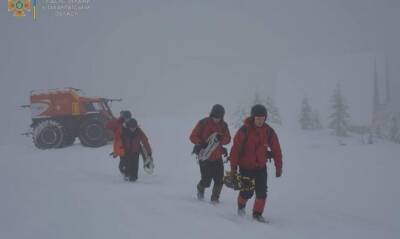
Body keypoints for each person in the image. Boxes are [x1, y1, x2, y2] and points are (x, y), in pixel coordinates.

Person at [229, 104, 283, 222]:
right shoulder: (245, 130)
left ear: (265, 118)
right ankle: (241, 208)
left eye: (262, 119)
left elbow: (276, 150)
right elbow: (235, 150)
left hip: (261, 168)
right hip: (245, 167)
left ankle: (257, 214)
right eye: (258, 118)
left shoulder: (269, 131)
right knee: (247, 192)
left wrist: (279, 167)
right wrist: (233, 169)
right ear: (253, 118)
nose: (260, 121)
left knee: (262, 192)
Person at [190, 104, 231, 203]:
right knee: (206, 181)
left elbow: (228, 139)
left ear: (222, 117)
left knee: (219, 180)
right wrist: (200, 143)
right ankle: (200, 190)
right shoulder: (203, 123)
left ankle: (215, 199)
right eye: (214, 116)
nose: (216, 119)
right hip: (204, 157)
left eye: (218, 117)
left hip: (217, 157)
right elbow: (192, 136)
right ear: (211, 114)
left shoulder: (224, 125)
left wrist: (222, 139)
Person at [106, 110, 132, 175]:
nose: (127, 119)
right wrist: (118, 119)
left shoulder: (131, 123)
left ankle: (128, 173)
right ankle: (124, 173)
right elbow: (108, 126)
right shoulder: (118, 123)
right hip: (120, 147)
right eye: (126, 118)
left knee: (129, 160)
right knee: (123, 161)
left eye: (129, 118)